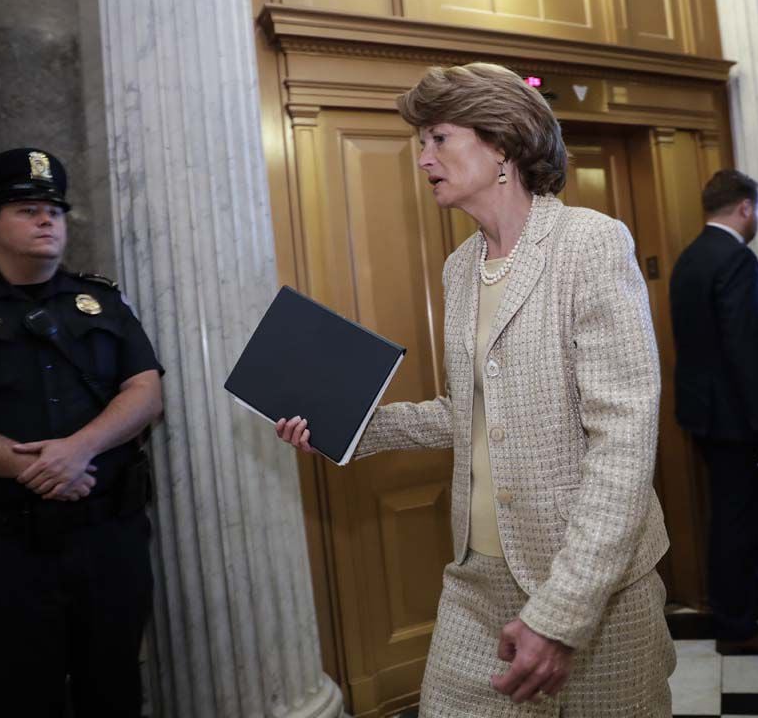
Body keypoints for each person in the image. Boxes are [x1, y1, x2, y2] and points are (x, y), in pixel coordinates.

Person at [277, 63, 674, 715]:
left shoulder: (590, 244)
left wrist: (564, 610)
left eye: (438, 138)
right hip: (478, 580)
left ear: (502, 145)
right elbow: (466, 414)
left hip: (596, 588)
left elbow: (624, 444)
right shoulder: (461, 269)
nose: (422, 158)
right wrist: (341, 423)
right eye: (421, 142)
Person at [0, 149, 163, 717]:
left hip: (108, 537)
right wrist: (29, 465)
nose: (46, 221)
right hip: (2, 551)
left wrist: (77, 450)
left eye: (55, 211)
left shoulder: (102, 300)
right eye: (28, 210)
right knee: (17, 698)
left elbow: (145, 391)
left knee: (113, 692)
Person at [668, 169, 758, 655]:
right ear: (745, 208)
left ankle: (753, 595)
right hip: (742, 419)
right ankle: (737, 626)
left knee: (736, 516)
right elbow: (744, 346)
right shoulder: (735, 259)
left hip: (709, 415)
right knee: (737, 521)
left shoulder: (690, 257)